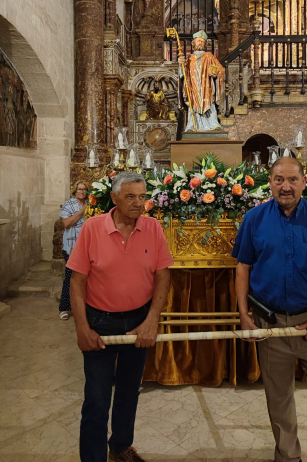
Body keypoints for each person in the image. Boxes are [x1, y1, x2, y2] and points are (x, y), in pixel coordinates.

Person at [233, 157, 307, 462]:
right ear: (269, 183)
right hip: (270, 325)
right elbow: (243, 267)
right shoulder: (254, 219)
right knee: (279, 402)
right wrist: (245, 316)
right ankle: (288, 457)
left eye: (291, 180)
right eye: (278, 180)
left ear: (303, 181)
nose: (285, 187)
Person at [68, 171, 173, 462]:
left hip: (138, 322)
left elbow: (163, 276)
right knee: (97, 399)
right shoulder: (91, 228)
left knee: (129, 392)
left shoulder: (153, 228)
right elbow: (76, 282)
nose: (139, 203)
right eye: (130, 197)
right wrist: (82, 328)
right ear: (114, 198)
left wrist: (152, 319)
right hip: (99, 322)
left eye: (142, 197)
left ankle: (120, 448)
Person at [178, 30, 225, 132]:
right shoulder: (189, 58)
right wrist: (181, 65)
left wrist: (216, 73)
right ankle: (192, 126)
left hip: (206, 85)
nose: (200, 43)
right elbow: (183, 75)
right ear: (193, 43)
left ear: (205, 44)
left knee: (208, 104)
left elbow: (221, 69)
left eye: (202, 41)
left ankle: (213, 124)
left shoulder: (209, 56)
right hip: (193, 85)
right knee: (193, 105)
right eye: (198, 41)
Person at [59, 181, 88, 320]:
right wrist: (83, 211)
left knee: (88, 279)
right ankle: (64, 307)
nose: (82, 192)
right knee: (70, 277)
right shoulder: (69, 204)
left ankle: (84, 307)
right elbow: (66, 223)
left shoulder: (92, 203)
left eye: (84, 189)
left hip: (88, 247)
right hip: (72, 247)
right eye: (79, 189)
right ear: (75, 190)